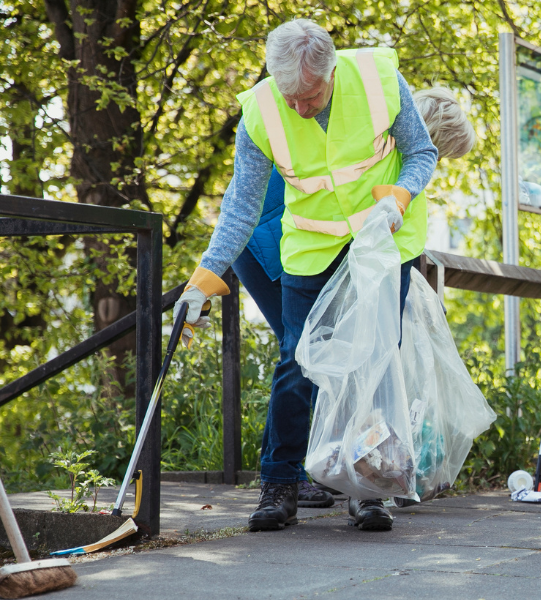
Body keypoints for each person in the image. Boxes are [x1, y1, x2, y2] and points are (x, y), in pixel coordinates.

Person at [173, 19, 438, 533]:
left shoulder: (381, 78)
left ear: (331, 72)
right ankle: (279, 483)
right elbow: (242, 203)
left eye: (310, 96)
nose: (298, 107)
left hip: (383, 240)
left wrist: (399, 198)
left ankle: (369, 490)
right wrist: (204, 277)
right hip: (311, 246)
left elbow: (422, 153)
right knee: (297, 358)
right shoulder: (260, 110)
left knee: (376, 362)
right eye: (289, 96)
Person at [230, 87, 477, 510]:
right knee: (305, 356)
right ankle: (294, 475)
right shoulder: (369, 149)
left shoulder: (384, 149)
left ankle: (351, 471)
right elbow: (273, 217)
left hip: (295, 248)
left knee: (335, 360)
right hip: (271, 249)